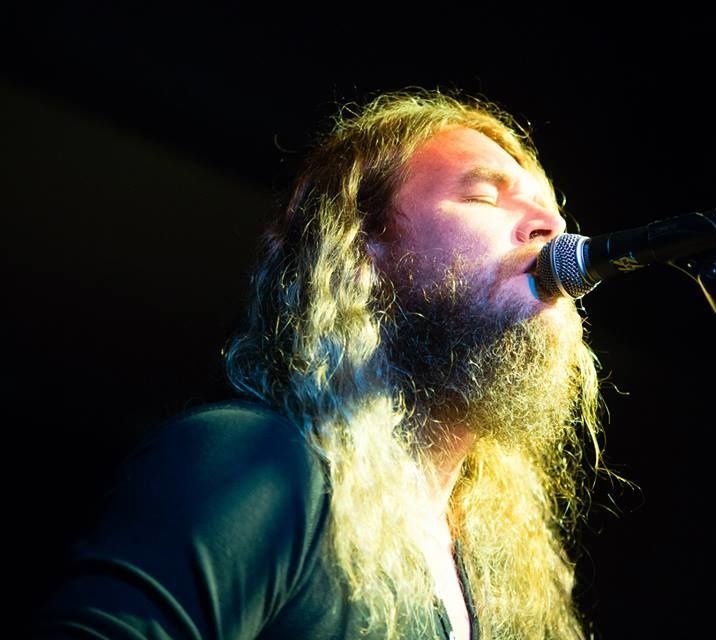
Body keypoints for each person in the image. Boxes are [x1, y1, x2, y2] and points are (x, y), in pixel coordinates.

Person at [30, 88, 608, 639]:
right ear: (361, 248)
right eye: (483, 195)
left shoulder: (490, 570)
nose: (552, 226)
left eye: (549, 206)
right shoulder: (261, 465)